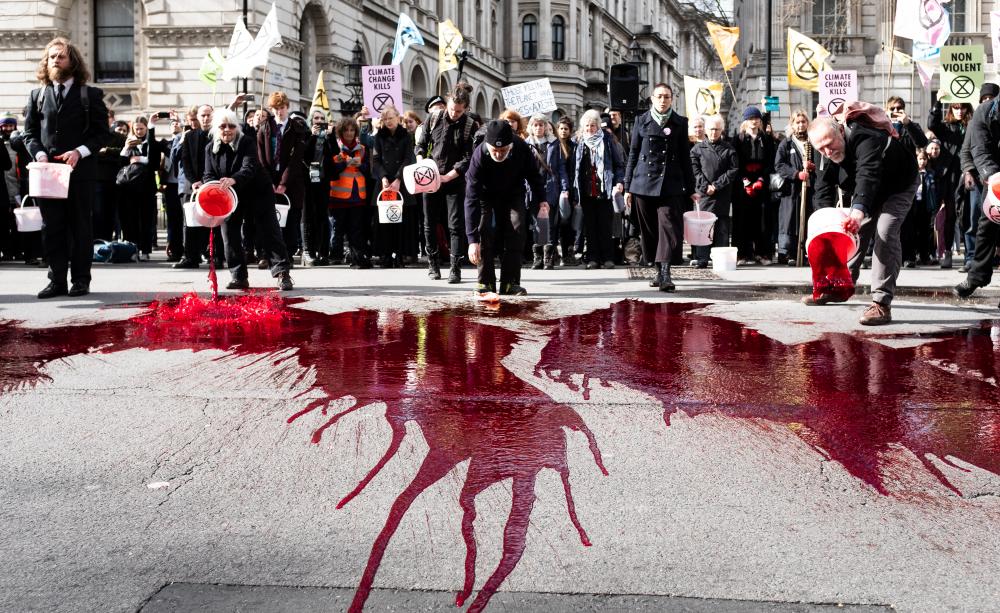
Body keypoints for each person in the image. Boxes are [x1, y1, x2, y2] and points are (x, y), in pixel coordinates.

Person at [806, 112, 918, 325]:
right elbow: (822, 188)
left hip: (898, 185)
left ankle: (882, 303)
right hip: (867, 192)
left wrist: (857, 211)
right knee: (847, 231)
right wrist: (825, 222)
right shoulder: (823, 149)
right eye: (821, 149)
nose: (827, 152)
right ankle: (840, 286)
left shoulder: (865, 137)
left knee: (885, 232)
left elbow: (868, 174)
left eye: (830, 145)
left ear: (840, 131)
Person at [23, 37, 110, 298]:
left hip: (80, 173)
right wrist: (38, 153)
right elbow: (29, 133)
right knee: (53, 228)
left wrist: (79, 152)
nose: (56, 60)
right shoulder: (37, 95)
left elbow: (102, 134)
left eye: (61, 56)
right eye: (52, 57)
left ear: (72, 60)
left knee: (81, 227)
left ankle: (81, 280)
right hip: (48, 175)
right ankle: (56, 280)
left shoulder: (90, 94)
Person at [203, 108, 293, 291]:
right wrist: (208, 186)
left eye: (231, 126)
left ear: (237, 127)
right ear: (216, 128)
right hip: (230, 196)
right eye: (222, 126)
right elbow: (208, 174)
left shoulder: (246, 142)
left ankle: (282, 273)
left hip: (258, 191)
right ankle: (238, 276)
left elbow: (250, 167)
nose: (227, 129)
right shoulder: (210, 148)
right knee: (229, 233)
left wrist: (233, 179)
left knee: (269, 231)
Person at [623, 83, 697, 291]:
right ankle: (657, 269)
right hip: (642, 184)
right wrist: (628, 187)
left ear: (672, 99)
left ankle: (665, 273)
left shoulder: (680, 122)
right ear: (652, 99)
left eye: (667, 97)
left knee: (668, 228)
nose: (663, 100)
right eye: (659, 96)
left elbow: (685, 157)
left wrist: (691, 189)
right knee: (649, 231)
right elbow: (633, 154)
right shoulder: (641, 120)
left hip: (671, 184)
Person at [465, 120, 547, 296]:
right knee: (484, 229)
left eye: (503, 150)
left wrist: (542, 200)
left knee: (517, 228)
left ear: (510, 145)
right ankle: (485, 282)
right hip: (485, 195)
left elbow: (534, 175)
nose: (498, 154)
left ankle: (510, 283)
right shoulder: (479, 156)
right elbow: (471, 199)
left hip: (513, 192)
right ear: (488, 145)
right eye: (495, 150)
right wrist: (472, 241)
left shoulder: (521, 147)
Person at [415, 86, 480, 282]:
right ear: (447, 103)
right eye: (452, 109)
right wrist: (420, 162)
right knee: (429, 223)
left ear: (466, 109)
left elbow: (469, 156)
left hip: (454, 179)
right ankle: (433, 265)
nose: (454, 113)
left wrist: (450, 175)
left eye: (459, 111)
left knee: (455, 225)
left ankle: (455, 268)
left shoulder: (470, 125)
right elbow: (421, 143)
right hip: (430, 176)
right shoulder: (433, 118)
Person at [954, 86, 1000, 302]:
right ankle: (977, 276)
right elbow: (977, 149)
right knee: (986, 225)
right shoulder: (984, 112)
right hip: (994, 177)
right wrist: (991, 177)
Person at [257, 91, 307, 262]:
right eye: (276, 108)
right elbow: (261, 157)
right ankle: (268, 254)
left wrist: (284, 182)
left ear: (287, 107)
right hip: (269, 178)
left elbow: (296, 159)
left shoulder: (297, 128)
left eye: (282, 108)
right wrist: (269, 181)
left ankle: (288, 254)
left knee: (291, 218)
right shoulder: (265, 127)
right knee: (269, 218)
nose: (279, 111)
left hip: (291, 180)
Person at [573, 109, 625, 270]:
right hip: (586, 191)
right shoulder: (579, 142)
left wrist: (619, 182)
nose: (590, 128)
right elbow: (573, 168)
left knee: (605, 226)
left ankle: (608, 258)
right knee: (590, 226)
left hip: (604, 190)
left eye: (593, 125)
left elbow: (618, 164)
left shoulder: (608, 140)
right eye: (587, 126)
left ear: (598, 126)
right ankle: (593, 258)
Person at [175, 103, 221, 269]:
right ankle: (190, 257)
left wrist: (209, 182)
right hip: (193, 185)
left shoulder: (219, 134)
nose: (206, 118)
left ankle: (215, 256)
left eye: (208, 115)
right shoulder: (189, 136)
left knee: (215, 223)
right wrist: (194, 181)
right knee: (190, 222)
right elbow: (185, 161)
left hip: (213, 185)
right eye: (203, 115)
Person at [689, 114, 738, 268]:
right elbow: (694, 170)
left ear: (721, 130)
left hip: (721, 194)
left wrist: (717, 185)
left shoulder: (729, 149)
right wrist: (706, 186)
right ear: (706, 130)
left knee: (722, 228)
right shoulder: (697, 149)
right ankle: (702, 258)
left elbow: (733, 170)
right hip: (704, 195)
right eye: (711, 129)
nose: (713, 132)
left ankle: (720, 259)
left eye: (717, 129)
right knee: (703, 228)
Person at [928, 99, 972, 268]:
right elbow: (932, 123)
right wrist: (938, 102)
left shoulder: (972, 126)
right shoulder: (946, 127)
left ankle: (970, 256)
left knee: (967, 216)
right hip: (948, 177)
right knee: (949, 217)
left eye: (962, 108)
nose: (959, 111)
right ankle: (946, 252)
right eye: (955, 108)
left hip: (967, 174)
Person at [772, 109, 820, 265]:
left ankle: (807, 251)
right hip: (791, 190)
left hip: (810, 188)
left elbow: (822, 161)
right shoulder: (786, 143)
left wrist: (813, 167)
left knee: (808, 218)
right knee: (790, 219)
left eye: (803, 122)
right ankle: (789, 252)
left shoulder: (814, 141)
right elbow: (779, 165)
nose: (801, 125)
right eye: (797, 122)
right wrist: (796, 174)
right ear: (792, 124)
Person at [371, 104, 416, 268]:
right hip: (384, 183)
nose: (388, 121)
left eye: (391, 118)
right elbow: (375, 160)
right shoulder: (379, 136)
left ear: (398, 117)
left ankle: (401, 254)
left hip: (401, 182)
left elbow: (408, 158)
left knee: (401, 220)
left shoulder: (406, 135)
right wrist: (383, 177)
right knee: (384, 220)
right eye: (385, 119)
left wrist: (398, 179)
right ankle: (385, 254)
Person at [326, 117, 372, 269]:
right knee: (337, 228)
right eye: (346, 130)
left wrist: (361, 166)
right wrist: (344, 163)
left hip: (357, 195)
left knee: (356, 228)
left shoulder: (363, 149)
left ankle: (355, 256)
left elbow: (368, 170)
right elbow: (332, 171)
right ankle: (335, 255)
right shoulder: (335, 148)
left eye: (352, 130)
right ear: (340, 131)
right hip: (338, 195)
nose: (349, 133)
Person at [733, 106, 776, 265]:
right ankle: (743, 254)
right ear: (746, 120)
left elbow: (771, 161)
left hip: (761, 181)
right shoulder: (738, 138)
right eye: (751, 119)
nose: (754, 121)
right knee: (743, 219)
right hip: (743, 182)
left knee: (763, 220)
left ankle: (762, 253)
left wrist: (761, 180)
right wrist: (745, 181)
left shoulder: (766, 138)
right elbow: (735, 161)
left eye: (757, 119)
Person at [524, 114, 565, 269]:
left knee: (549, 223)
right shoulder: (526, 144)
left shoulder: (554, 143)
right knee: (536, 223)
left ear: (546, 126)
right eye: (535, 125)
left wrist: (564, 187)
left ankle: (548, 258)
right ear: (531, 127)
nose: (539, 128)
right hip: (533, 189)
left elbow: (560, 168)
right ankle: (538, 257)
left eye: (541, 125)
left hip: (550, 187)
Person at [118, 116, 160, 260]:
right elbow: (121, 164)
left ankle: (145, 250)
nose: (139, 131)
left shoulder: (150, 142)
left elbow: (155, 163)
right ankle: (132, 249)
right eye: (137, 129)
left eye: (142, 128)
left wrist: (142, 159)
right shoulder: (129, 143)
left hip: (147, 187)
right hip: (129, 188)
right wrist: (126, 148)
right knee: (131, 219)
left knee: (146, 220)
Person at [302, 108, 331, 266]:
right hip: (308, 179)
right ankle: (308, 250)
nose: (319, 121)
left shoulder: (327, 137)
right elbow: (303, 153)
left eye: (322, 118)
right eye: (316, 118)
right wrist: (312, 136)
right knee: (308, 215)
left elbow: (334, 155)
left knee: (322, 215)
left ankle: (323, 251)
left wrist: (331, 137)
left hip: (323, 179)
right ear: (311, 121)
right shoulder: (306, 135)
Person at [901, 148, 937, 268]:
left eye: (924, 159)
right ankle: (910, 256)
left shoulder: (930, 173)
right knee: (910, 231)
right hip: (912, 204)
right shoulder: (912, 172)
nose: (922, 162)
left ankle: (924, 256)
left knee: (924, 231)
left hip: (924, 204)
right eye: (920, 159)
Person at [553, 117, 578, 266]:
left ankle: (568, 253)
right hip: (555, 188)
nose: (563, 131)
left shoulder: (573, 146)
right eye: (561, 128)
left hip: (568, 190)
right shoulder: (553, 145)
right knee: (554, 223)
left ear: (570, 131)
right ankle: (553, 253)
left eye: (566, 129)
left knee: (567, 223)